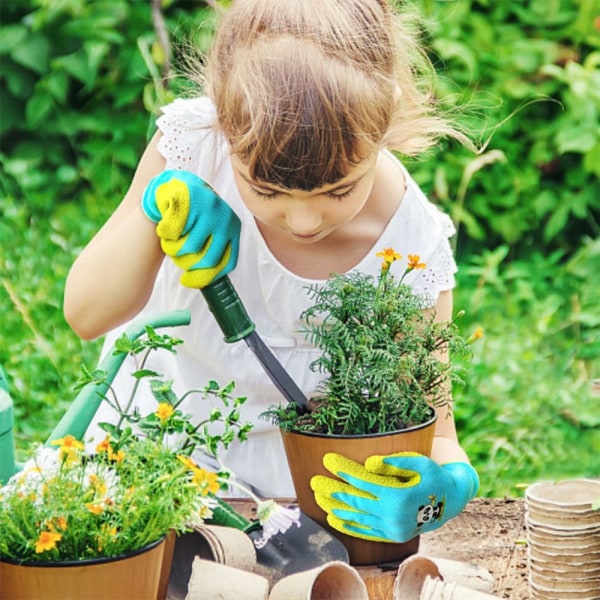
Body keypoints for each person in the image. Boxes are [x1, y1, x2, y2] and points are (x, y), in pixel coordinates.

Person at [64, 0, 479, 543]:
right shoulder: (196, 151)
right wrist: (159, 200)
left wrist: (446, 486)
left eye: (337, 190)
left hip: (304, 498)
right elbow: (87, 314)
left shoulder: (409, 247)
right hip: (156, 449)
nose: (304, 219)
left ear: (386, 116)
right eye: (266, 189)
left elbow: (436, 431)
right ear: (222, 119)